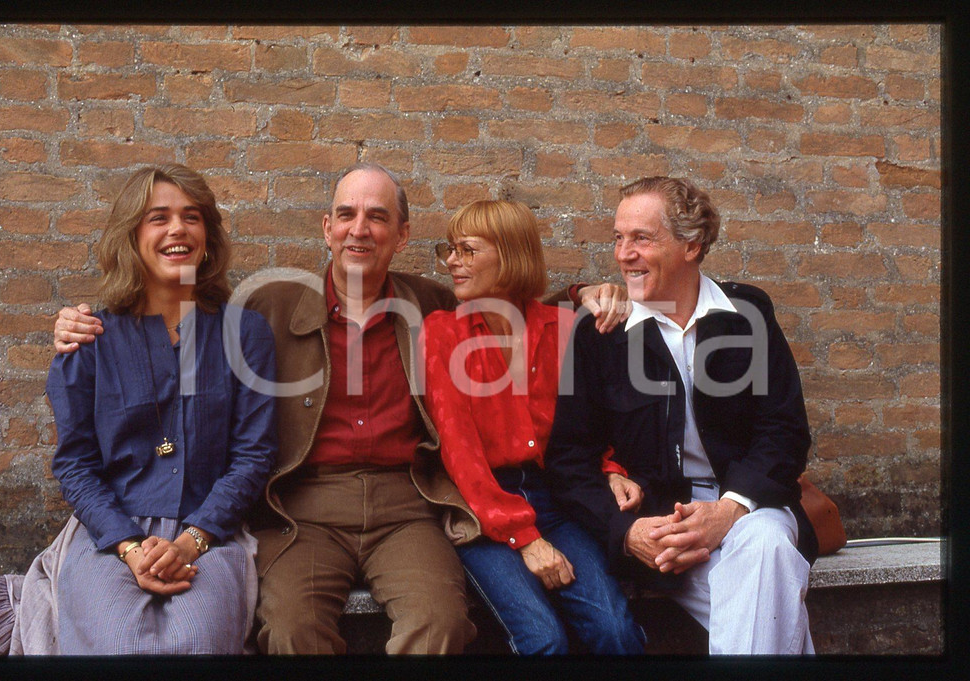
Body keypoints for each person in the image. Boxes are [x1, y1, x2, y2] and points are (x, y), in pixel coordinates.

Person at [53, 162, 630, 654]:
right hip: (304, 504)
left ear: (402, 234)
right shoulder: (271, 306)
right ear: (327, 228)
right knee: (288, 627)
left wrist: (586, 294)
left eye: (378, 217)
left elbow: (512, 305)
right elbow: (184, 313)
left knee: (442, 622)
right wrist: (82, 321)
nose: (361, 229)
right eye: (347, 216)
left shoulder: (427, 303)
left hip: (407, 500)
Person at [544, 176, 817, 655]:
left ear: (692, 245)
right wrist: (626, 533)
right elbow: (569, 459)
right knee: (768, 597)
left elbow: (785, 432)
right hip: (663, 527)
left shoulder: (746, 315)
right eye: (618, 238)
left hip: (751, 506)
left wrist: (728, 511)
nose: (623, 254)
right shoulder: (601, 333)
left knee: (768, 545)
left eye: (641, 239)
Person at [15, 163, 277, 654]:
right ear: (131, 235)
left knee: (198, 642)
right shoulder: (90, 338)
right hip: (109, 532)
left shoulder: (245, 334)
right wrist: (130, 547)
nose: (178, 229)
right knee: (118, 642)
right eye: (159, 217)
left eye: (192, 216)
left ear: (208, 235)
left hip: (210, 531)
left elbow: (253, 456)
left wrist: (189, 542)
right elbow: (74, 464)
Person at [421, 200, 646, 654]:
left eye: (467, 250)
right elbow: (460, 456)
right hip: (482, 509)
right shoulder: (441, 333)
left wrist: (611, 467)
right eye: (450, 249)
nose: (451, 262)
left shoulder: (564, 329)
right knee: (543, 640)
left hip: (558, 499)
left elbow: (593, 422)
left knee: (615, 632)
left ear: (508, 256)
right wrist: (525, 539)